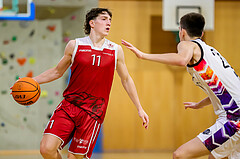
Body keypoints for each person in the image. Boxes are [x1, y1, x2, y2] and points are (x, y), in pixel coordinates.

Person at [32, 8, 149, 159]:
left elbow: (126, 79)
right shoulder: (75, 45)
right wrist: (31, 81)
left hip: (93, 112)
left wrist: (139, 108)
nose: (109, 23)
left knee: (74, 157)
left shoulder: (115, 50)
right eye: (104, 19)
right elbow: (57, 72)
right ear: (92, 23)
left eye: (110, 20)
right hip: (69, 106)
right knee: (46, 149)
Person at [122, 12, 240, 159]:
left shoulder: (187, 44)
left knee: (179, 155)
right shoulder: (212, 52)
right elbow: (225, 90)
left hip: (234, 118)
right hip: (235, 113)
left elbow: (181, 60)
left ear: (182, 31)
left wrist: (143, 55)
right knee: (215, 157)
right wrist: (200, 104)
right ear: (202, 33)